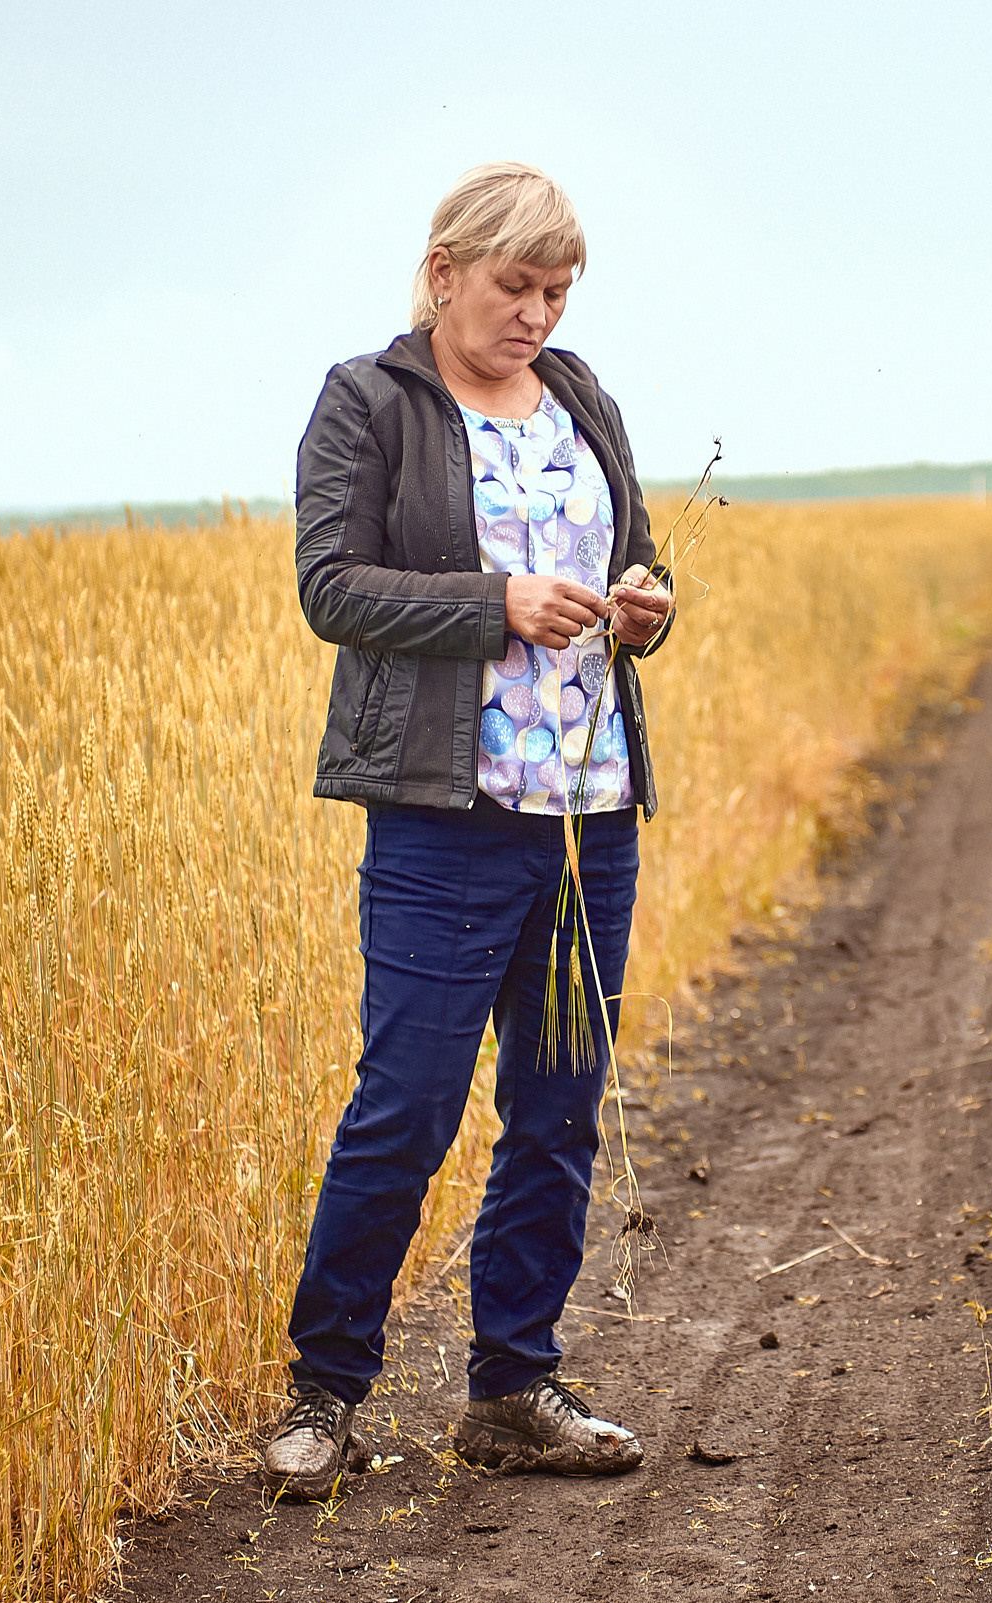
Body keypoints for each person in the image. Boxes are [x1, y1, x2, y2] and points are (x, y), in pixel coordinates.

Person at [262, 161, 676, 1500]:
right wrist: (498, 602)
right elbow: (334, 587)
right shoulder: (370, 403)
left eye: (556, 291)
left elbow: (636, 553)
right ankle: (320, 1396)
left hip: (584, 821)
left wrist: (643, 604)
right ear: (444, 274)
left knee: (556, 1109)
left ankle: (513, 1391)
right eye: (515, 286)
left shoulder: (583, 398)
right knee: (409, 1107)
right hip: (448, 823)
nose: (537, 314)